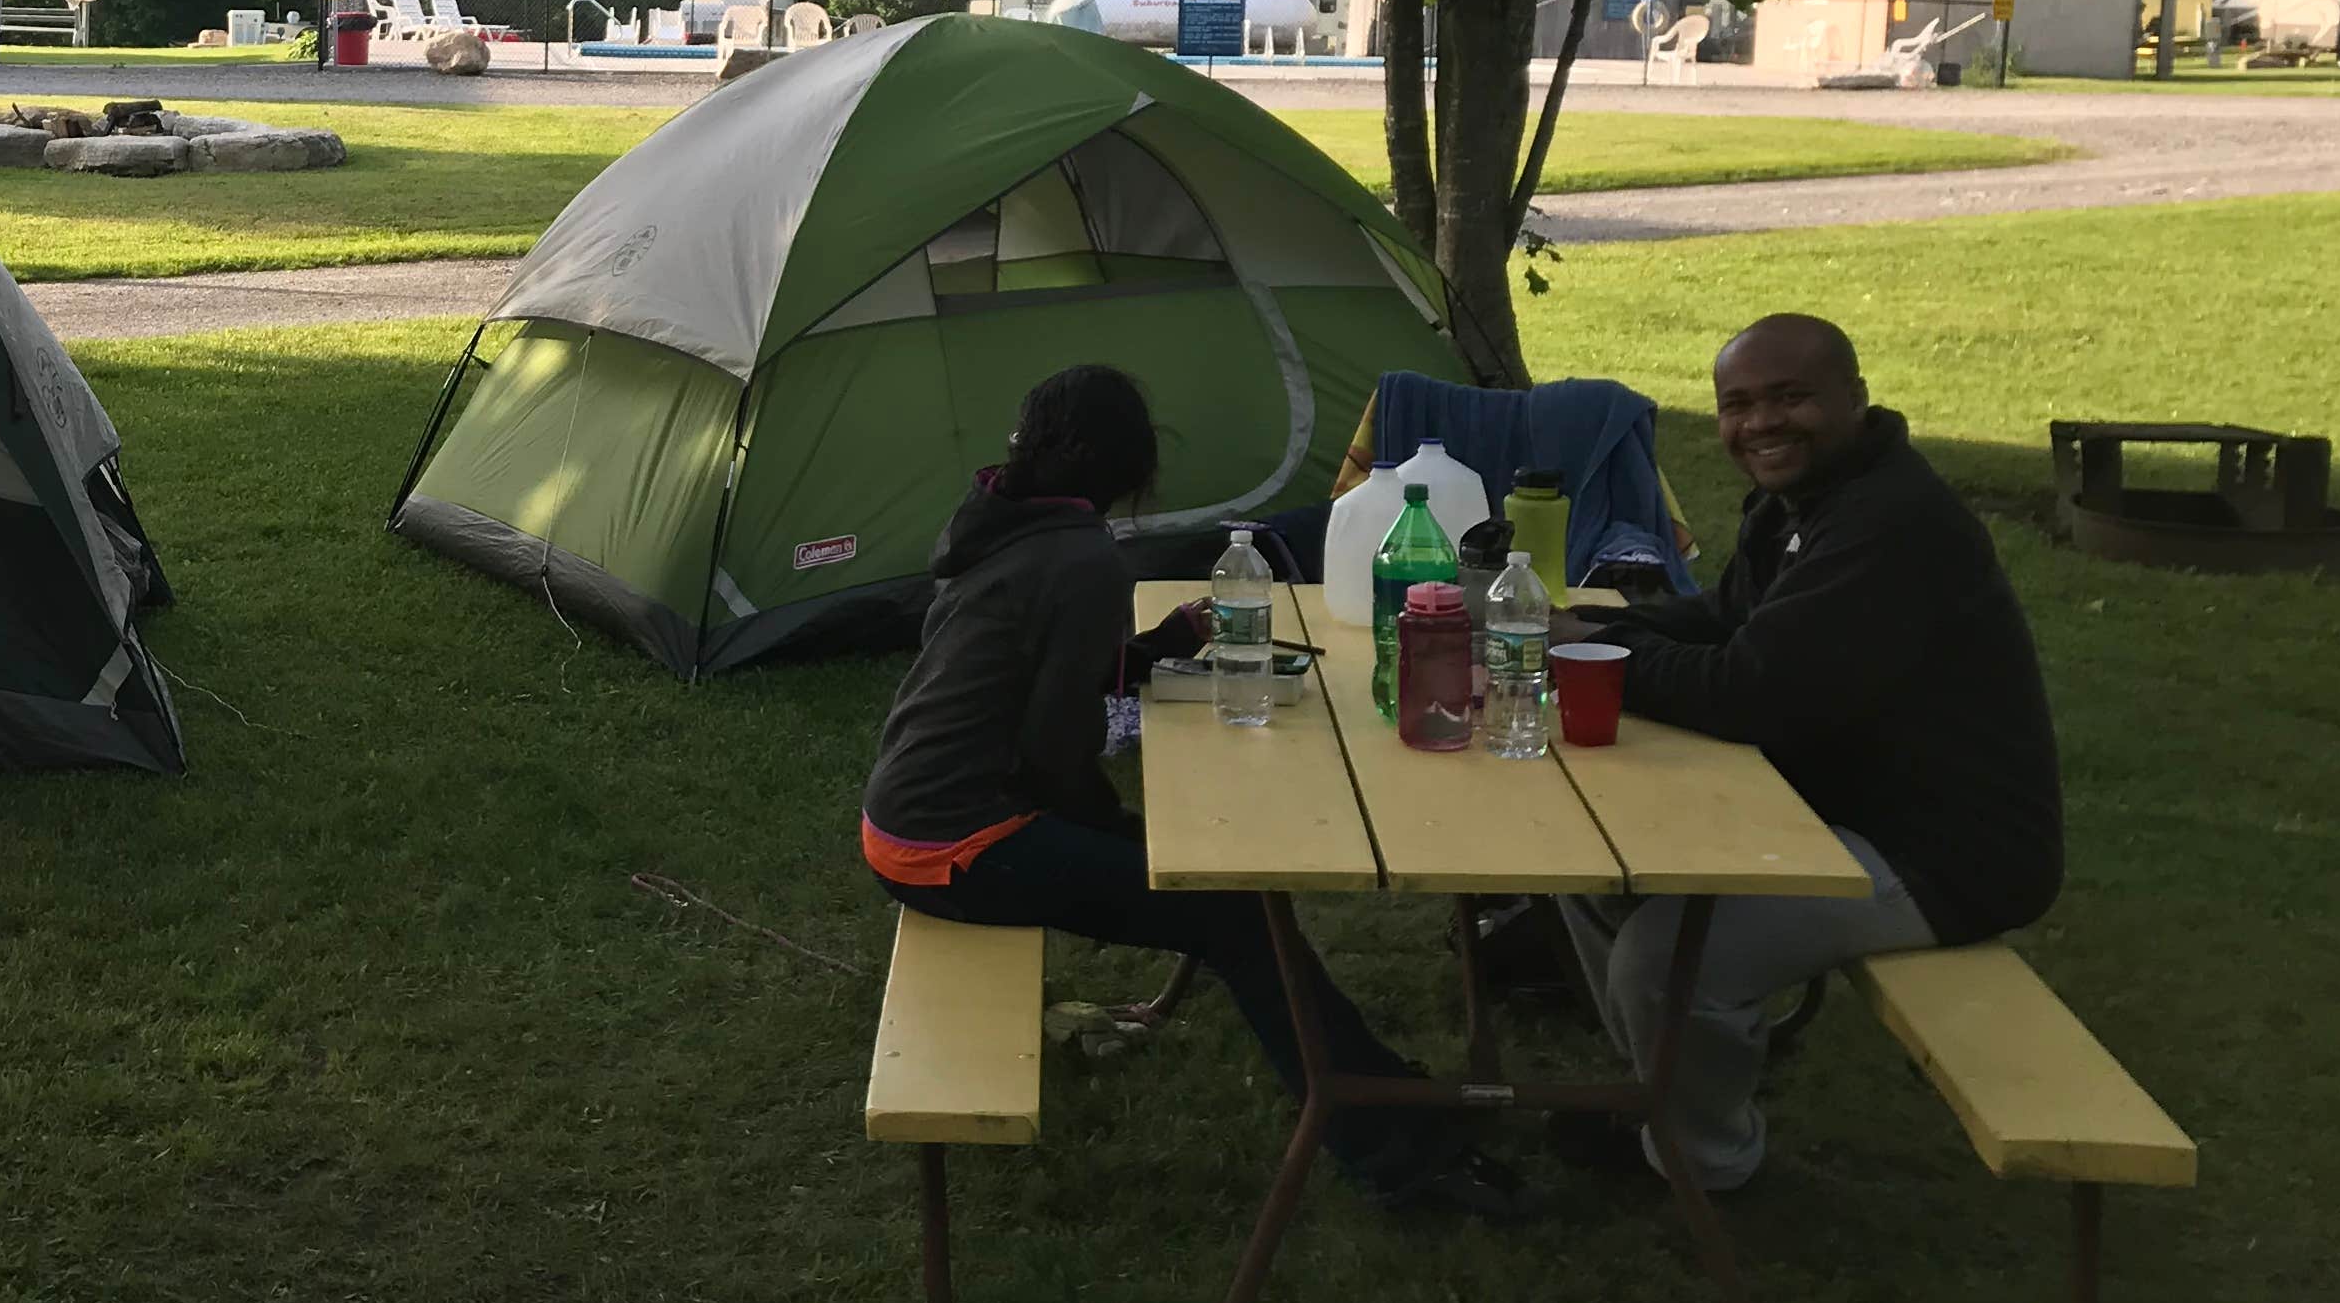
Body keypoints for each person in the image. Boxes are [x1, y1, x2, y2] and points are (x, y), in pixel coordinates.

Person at [859, 364, 1530, 1221]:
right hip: (955, 845)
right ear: (1129, 472)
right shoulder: (1080, 558)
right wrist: (1126, 834)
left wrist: (1152, 647)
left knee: (1219, 885)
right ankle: (1396, 1150)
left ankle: (1381, 1094)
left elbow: (1028, 670)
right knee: (1228, 906)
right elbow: (1053, 747)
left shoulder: (998, 528)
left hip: (910, 814)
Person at [1549, 314, 2062, 1191]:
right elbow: (1729, 618)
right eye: (1737, 405)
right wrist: (1596, 624)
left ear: (1854, 399)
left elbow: (1748, 692)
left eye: (1790, 398)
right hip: (1833, 804)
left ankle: (1706, 1166)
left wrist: (1582, 649)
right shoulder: (1803, 503)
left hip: (1940, 853)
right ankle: (1669, 1094)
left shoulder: (1891, 524)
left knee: (1662, 959)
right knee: (1594, 868)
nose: (1760, 424)